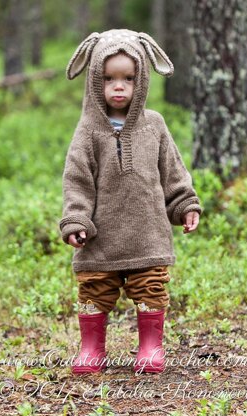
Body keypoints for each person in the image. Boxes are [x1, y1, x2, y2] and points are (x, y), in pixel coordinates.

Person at [59, 29, 203, 374]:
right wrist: (76, 219)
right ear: (94, 79)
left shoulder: (154, 125)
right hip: (100, 238)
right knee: (94, 289)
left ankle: (151, 347)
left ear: (143, 79)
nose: (119, 86)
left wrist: (185, 204)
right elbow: (77, 180)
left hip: (147, 232)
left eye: (128, 78)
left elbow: (173, 172)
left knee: (150, 287)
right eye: (108, 78)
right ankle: (92, 348)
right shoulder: (88, 131)